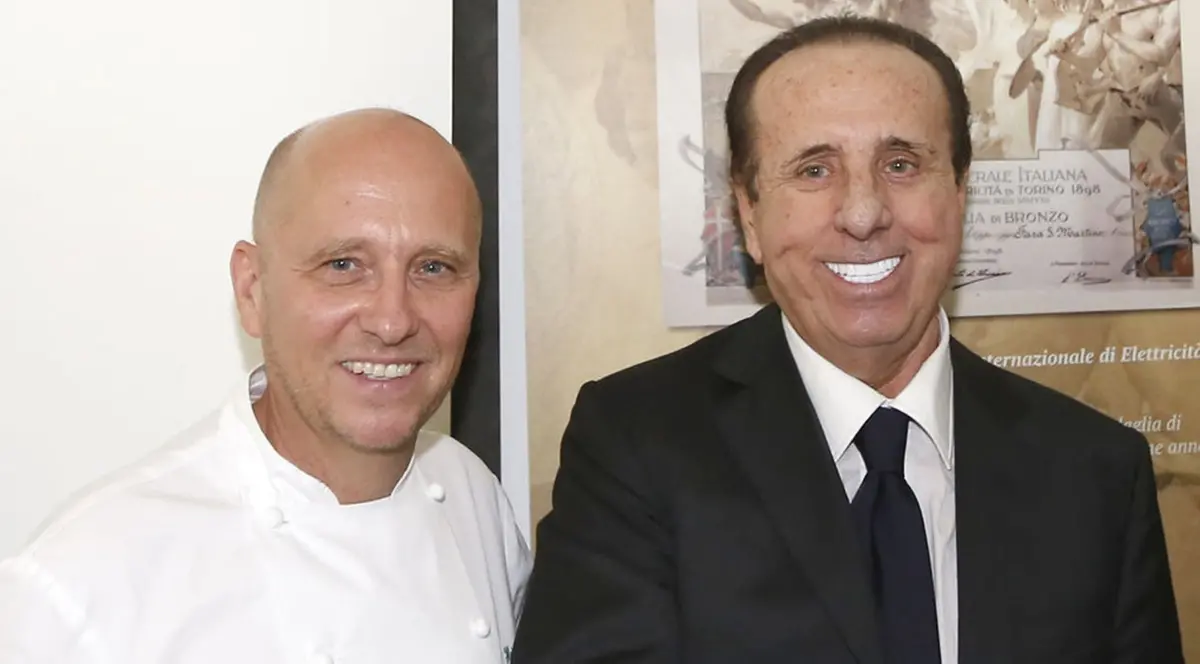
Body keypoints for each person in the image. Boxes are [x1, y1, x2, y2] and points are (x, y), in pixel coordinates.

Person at [512, 16, 1182, 664]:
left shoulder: (1096, 472)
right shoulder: (635, 447)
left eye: (901, 164)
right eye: (814, 170)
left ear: (959, 193)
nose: (863, 213)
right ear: (749, 213)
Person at [0, 108, 530, 663]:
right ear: (252, 289)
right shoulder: (80, 586)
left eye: (434, 268)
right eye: (343, 265)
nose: (392, 321)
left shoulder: (472, 496)